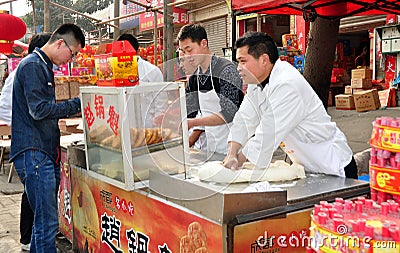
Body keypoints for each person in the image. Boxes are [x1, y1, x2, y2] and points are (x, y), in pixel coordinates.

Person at [222, 31, 358, 179]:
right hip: (306, 166)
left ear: (264, 60)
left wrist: (236, 163)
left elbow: (267, 135)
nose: (238, 68)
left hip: (333, 166)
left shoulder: (287, 85)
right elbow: (244, 118)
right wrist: (232, 153)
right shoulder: (257, 83)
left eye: (243, 61)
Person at [10, 23, 85, 253]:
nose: (69, 60)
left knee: (42, 223)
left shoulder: (42, 66)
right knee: (47, 224)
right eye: (72, 54)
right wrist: (77, 104)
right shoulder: (33, 65)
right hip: (34, 153)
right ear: (60, 43)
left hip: (41, 152)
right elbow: (39, 110)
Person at [0, 32, 51, 251]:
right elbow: (36, 110)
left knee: (33, 193)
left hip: (23, 136)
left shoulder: (28, 68)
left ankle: (28, 238)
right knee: (36, 196)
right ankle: (27, 238)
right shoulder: (30, 70)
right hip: (24, 138)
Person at [177, 23, 243, 155]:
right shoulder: (196, 76)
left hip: (233, 147)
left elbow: (229, 113)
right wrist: (170, 115)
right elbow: (189, 108)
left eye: (189, 50)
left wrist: (194, 122)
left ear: (203, 43)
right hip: (211, 148)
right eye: (183, 51)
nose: (186, 55)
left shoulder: (226, 70)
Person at [117, 33, 165, 127]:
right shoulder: (115, 72)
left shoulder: (152, 71)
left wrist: (157, 129)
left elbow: (160, 102)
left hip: (148, 127)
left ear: (138, 51)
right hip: (125, 126)